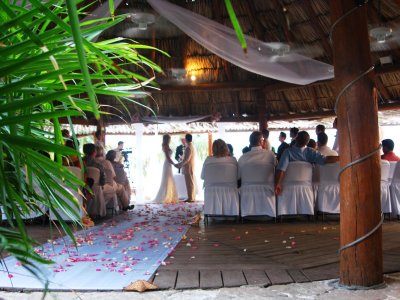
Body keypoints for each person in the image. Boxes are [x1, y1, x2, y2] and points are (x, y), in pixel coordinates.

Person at [274, 131, 339, 195]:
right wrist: (341, 157)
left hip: (287, 188)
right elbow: (325, 160)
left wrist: (277, 184)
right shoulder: (311, 152)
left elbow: (281, 169)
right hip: (306, 189)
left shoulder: (287, 152)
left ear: (296, 139)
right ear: (307, 142)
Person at [96, 146, 133, 211]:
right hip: (107, 184)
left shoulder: (85, 161)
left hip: (93, 184)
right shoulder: (106, 162)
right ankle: (126, 205)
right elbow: (113, 176)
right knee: (121, 187)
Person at [154, 134, 178, 204]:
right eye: (169, 139)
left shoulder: (166, 146)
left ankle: (169, 196)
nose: (170, 140)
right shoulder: (165, 146)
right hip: (167, 164)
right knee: (167, 180)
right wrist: (174, 164)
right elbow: (168, 158)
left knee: (169, 180)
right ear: (167, 139)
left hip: (168, 164)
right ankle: (164, 197)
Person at [175, 134, 196, 202]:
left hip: (188, 167)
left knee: (189, 183)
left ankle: (190, 197)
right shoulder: (192, 146)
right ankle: (191, 197)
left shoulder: (188, 147)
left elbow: (186, 159)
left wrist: (179, 165)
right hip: (190, 167)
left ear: (186, 139)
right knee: (190, 182)